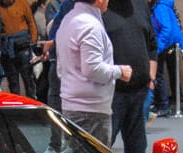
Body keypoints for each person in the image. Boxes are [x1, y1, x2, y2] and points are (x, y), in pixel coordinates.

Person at [56, 0, 131, 145]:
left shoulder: (68, 20)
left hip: (72, 105)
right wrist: (120, 71)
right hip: (90, 111)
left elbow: (61, 68)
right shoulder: (90, 25)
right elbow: (92, 69)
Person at [104, 0, 156, 153]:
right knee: (101, 149)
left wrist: (151, 78)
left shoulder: (140, 5)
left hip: (139, 91)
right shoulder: (101, 8)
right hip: (111, 93)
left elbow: (152, 44)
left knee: (137, 149)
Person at [150, 0, 183, 115]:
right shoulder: (164, 5)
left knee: (158, 74)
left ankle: (164, 105)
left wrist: (157, 47)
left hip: (165, 43)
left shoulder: (160, 7)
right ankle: (163, 104)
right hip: (168, 43)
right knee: (162, 74)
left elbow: (166, 29)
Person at [0, 0, 37, 98]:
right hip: (6, 46)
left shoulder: (22, 3)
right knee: (12, 79)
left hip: (23, 45)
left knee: (28, 77)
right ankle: (17, 101)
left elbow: (31, 22)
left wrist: (33, 40)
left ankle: (33, 100)